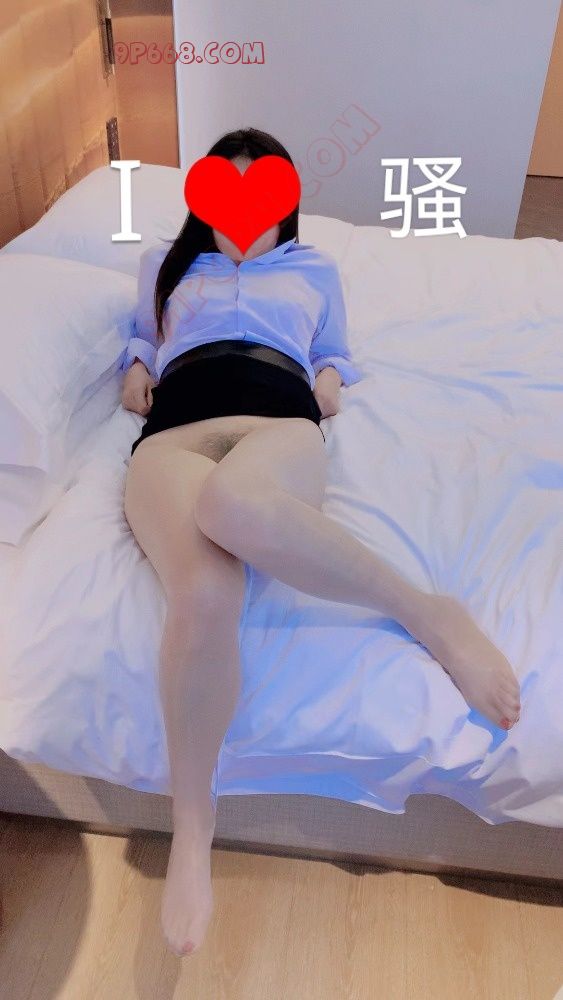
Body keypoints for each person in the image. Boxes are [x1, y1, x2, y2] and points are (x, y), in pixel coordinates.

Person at [121, 127, 521, 958]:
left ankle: (428, 613)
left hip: (278, 419)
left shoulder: (314, 269)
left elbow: (332, 354)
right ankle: (192, 828)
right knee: (204, 593)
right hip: (173, 433)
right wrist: (134, 367)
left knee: (235, 504)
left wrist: (329, 381)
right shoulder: (167, 263)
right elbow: (141, 343)